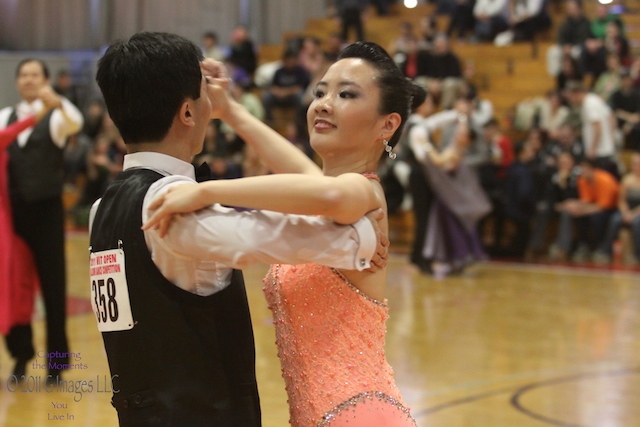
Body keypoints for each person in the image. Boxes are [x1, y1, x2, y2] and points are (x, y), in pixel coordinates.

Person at [91, 32, 388, 427]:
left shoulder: (102, 209)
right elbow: (281, 231)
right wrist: (363, 239)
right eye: (320, 91)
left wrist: (230, 117)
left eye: (346, 94)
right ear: (188, 113)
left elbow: (321, 190)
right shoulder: (171, 206)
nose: (324, 104)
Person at [0, 59, 84, 380]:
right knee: (14, 288)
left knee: (54, 290)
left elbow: (75, 123)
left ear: (46, 81)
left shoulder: (57, 119)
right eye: (23, 74)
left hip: (48, 216)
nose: (29, 80)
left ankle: (57, 366)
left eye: (35, 75)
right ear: (17, 81)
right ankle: (20, 357)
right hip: (14, 220)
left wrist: (58, 101)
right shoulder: (5, 117)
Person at [592, 152, 640, 265]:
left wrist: (633, 214)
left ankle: (637, 254)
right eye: (635, 164)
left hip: (638, 212)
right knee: (614, 220)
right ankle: (606, 251)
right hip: (627, 210)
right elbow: (621, 200)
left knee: (637, 223)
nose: (637, 166)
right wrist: (625, 212)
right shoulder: (626, 179)